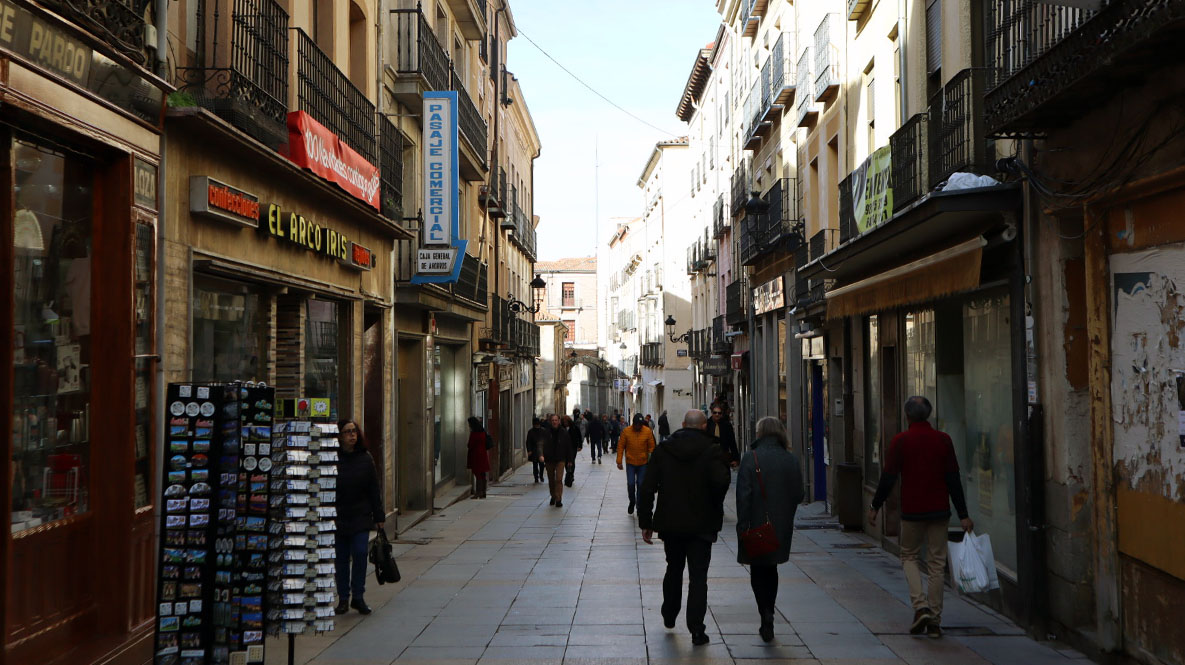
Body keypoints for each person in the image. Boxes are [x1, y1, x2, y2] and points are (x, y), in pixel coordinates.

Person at [869, 396, 973, 639]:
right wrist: (964, 515)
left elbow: (888, 477)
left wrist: (875, 505)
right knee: (937, 563)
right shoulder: (943, 440)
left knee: (909, 556)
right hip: (939, 511)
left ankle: (920, 606)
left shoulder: (901, 441)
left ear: (907, 416)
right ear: (928, 414)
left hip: (913, 511)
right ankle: (935, 621)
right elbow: (953, 479)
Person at [636, 410, 731, 646]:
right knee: (699, 576)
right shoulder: (712, 450)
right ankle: (697, 629)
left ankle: (669, 613)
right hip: (702, 523)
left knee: (674, 568)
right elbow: (722, 483)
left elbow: (647, 488)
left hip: (672, 523)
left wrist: (646, 522)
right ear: (703, 426)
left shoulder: (664, 450)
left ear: (682, 424)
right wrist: (713, 504)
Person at [735, 417, 805, 642]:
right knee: (772, 569)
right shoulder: (791, 459)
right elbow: (799, 495)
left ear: (760, 433)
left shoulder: (750, 458)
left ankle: (763, 612)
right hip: (780, 525)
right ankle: (770, 611)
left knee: (758, 571)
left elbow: (743, 496)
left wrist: (742, 524)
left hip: (756, 523)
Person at [334, 419, 384, 615]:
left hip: (361, 516)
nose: (352, 435)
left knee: (361, 553)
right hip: (338, 516)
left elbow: (374, 488)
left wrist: (378, 515)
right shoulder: (333, 458)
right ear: (339, 436)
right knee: (341, 559)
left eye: (354, 431)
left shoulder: (365, 458)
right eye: (347, 432)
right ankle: (343, 598)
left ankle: (358, 596)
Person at [617, 414, 657, 514]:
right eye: (636, 424)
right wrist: (619, 461)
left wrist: (651, 461)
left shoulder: (647, 432)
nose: (638, 426)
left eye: (640, 424)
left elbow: (652, 447)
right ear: (633, 424)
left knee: (640, 485)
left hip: (643, 463)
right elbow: (621, 446)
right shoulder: (626, 431)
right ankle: (632, 501)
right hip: (630, 462)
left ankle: (639, 506)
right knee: (631, 484)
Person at [541, 414, 573, 507]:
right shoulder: (546, 432)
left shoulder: (564, 432)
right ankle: (553, 496)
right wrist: (541, 455)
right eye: (553, 420)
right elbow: (541, 444)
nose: (554, 422)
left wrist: (570, 460)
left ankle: (558, 499)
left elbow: (568, 446)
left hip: (560, 459)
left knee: (558, 479)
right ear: (551, 422)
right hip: (549, 459)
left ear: (559, 421)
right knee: (551, 480)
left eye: (556, 420)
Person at [466, 417, 491, 498]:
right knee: (482, 474)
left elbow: (470, 445)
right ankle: (483, 492)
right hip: (483, 455)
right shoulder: (482, 432)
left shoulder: (474, 434)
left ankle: (478, 492)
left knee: (477, 474)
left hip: (476, 456)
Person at [563, 414, 583, 488]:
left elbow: (579, 436)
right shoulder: (562, 428)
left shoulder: (574, 427)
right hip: (564, 448)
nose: (565, 423)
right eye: (564, 421)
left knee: (572, 461)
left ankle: (571, 474)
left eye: (566, 421)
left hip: (573, 447)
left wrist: (580, 446)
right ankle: (569, 472)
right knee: (565, 461)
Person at [525, 417, 548, 483]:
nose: (536, 425)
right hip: (534, 450)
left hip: (541, 450)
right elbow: (528, 441)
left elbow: (546, 441)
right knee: (535, 465)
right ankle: (536, 477)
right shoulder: (531, 431)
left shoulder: (543, 431)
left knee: (541, 464)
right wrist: (529, 450)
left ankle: (540, 475)